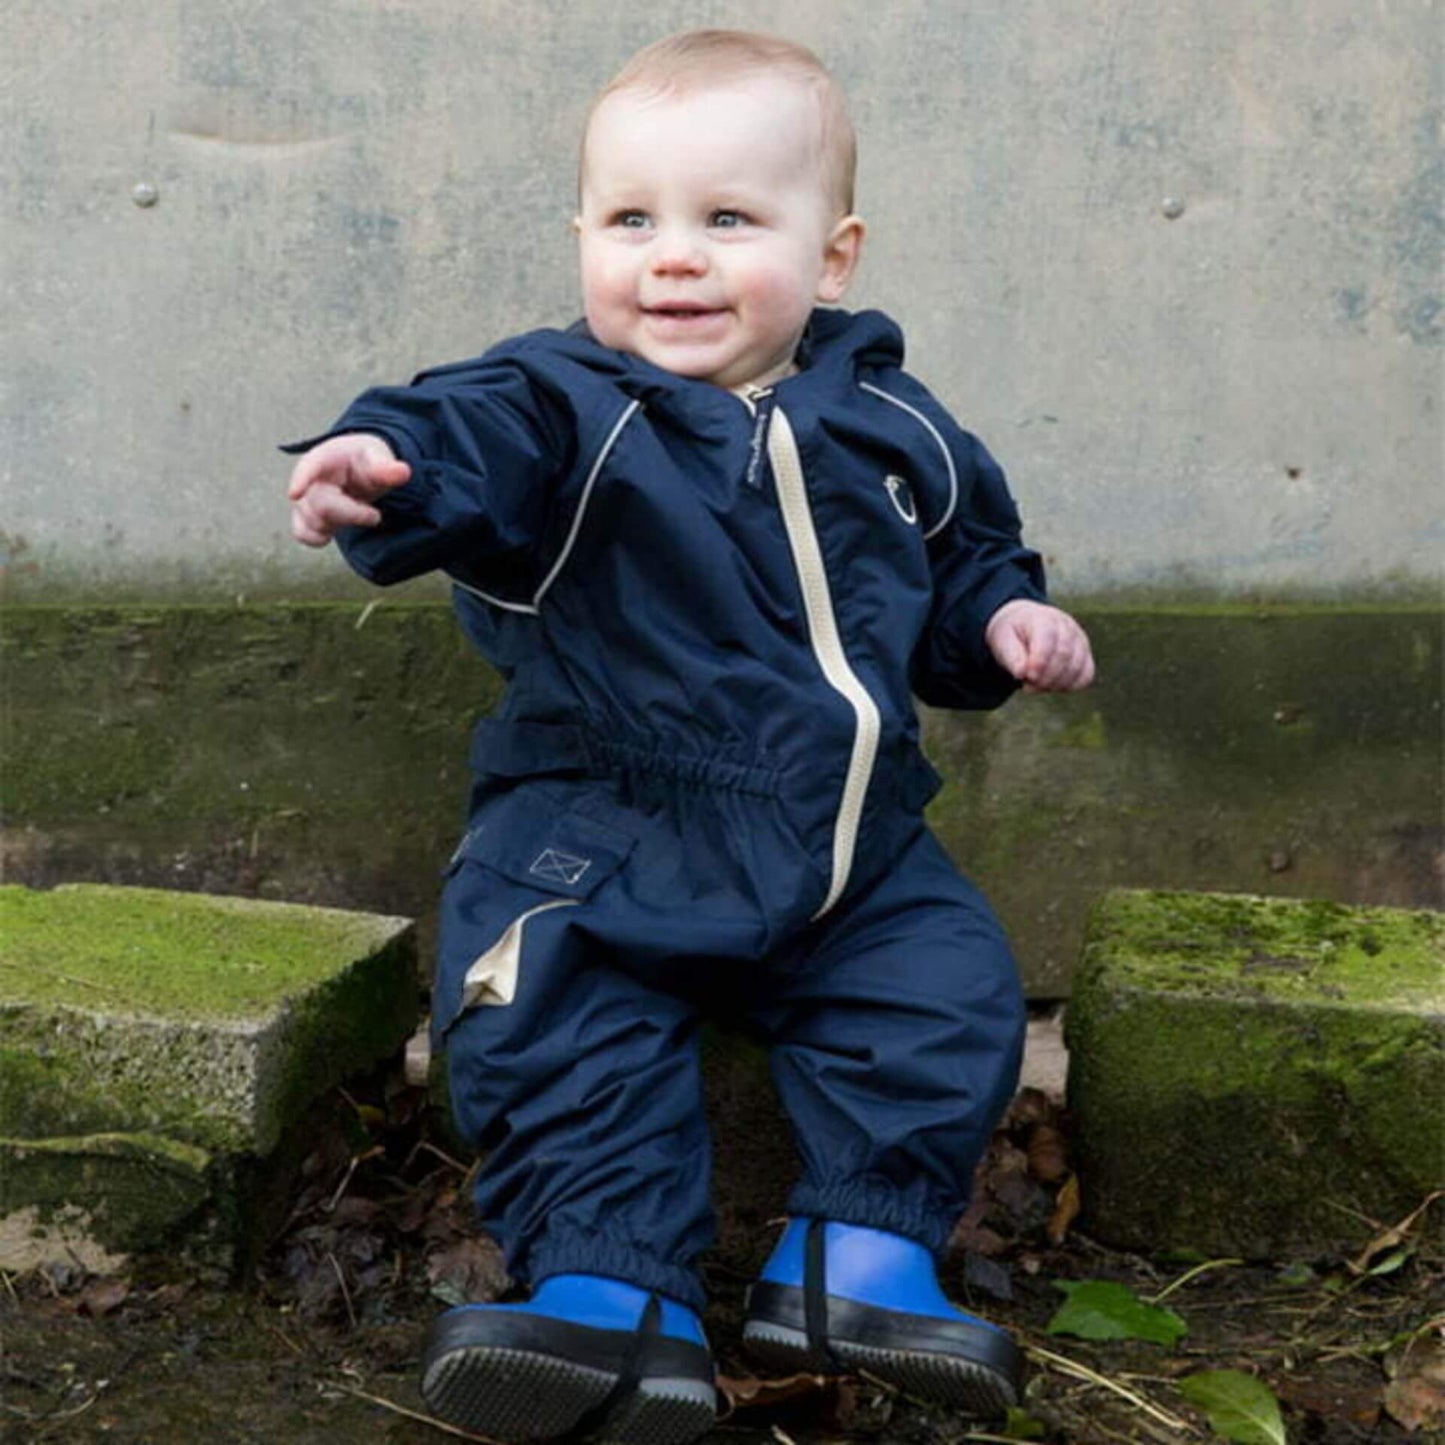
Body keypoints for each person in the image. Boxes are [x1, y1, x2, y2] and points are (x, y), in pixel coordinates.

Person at [286, 28, 1093, 1445]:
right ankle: (608, 1289)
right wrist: (383, 465)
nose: (673, 257)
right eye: (631, 219)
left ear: (832, 256)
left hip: (846, 839)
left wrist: (1003, 625)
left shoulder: (895, 421)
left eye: (727, 220)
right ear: (581, 238)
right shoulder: (561, 404)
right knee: (545, 1011)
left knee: (949, 983)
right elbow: (464, 435)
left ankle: (854, 1257)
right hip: (600, 829)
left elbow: (964, 561)